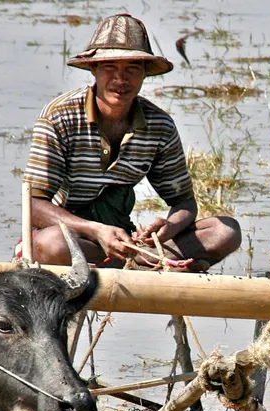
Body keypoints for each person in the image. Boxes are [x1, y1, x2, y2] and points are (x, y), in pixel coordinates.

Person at [21, 13, 241, 272]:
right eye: (110, 68)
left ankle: (143, 262)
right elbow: (34, 205)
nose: (120, 80)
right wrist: (96, 230)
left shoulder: (159, 126)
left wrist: (167, 230)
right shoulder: (59, 116)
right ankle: (151, 267)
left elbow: (184, 203)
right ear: (94, 69)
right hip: (75, 240)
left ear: (145, 73)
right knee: (50, 244)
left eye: (132, 70)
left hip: (127, 243)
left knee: (226, 231)